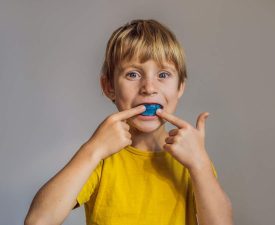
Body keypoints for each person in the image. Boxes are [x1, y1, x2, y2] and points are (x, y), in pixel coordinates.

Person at [25, 19, 233, 225]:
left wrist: (200, 164)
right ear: (109, 87)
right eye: (133, 74)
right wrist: (93, 150)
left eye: (163, 74)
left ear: (180, 88)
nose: (149, 87)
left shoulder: (192, 159)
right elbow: (38, 221)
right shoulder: (100, 159)